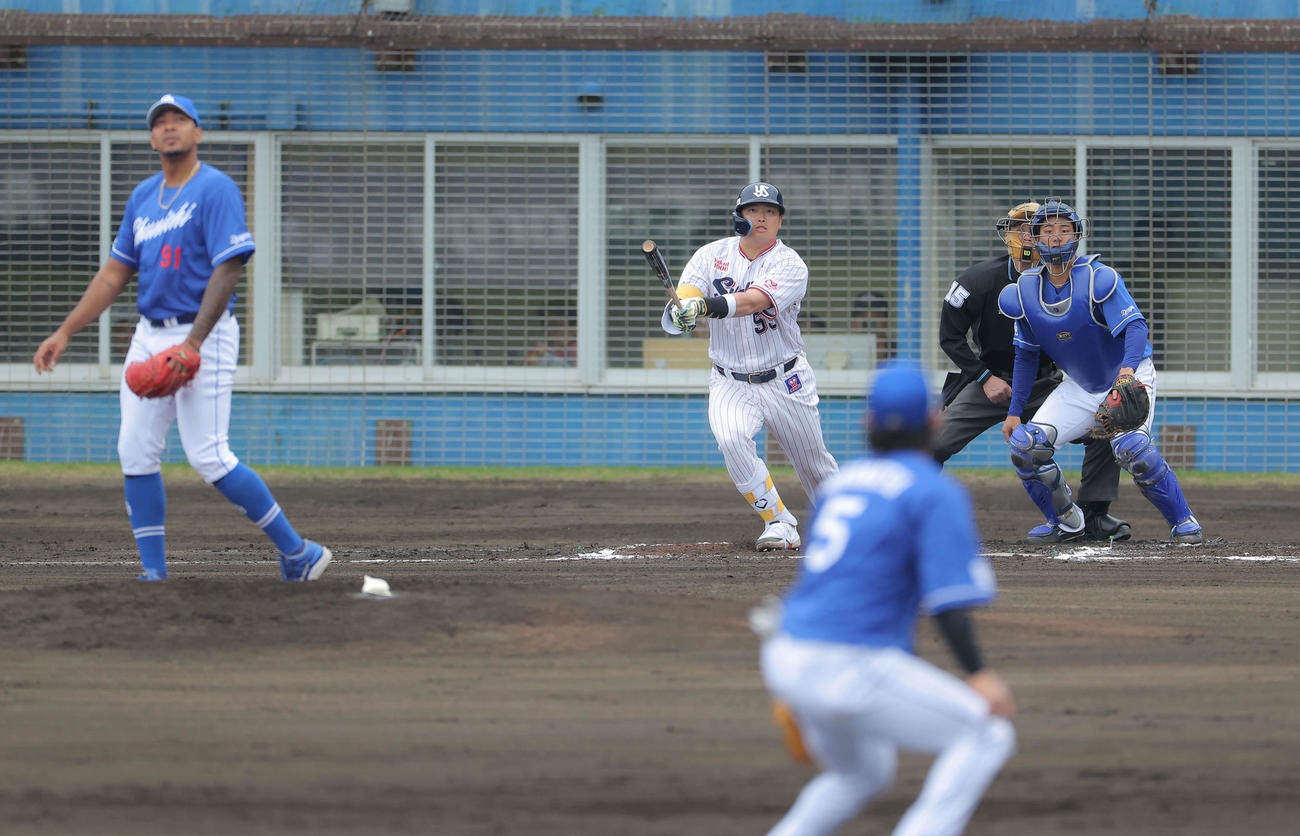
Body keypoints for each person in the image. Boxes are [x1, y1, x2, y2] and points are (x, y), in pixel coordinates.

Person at [32, 93, 332, 582]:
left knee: (208, 454)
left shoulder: (215, 188)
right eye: (160, 122)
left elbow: (228, 267)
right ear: (152, 138)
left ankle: (299, 552)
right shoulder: (143, 197)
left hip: (204, 334)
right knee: (134, 449)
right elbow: (113, 275)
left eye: (180, 120)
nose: (169, 128)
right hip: (149, 332)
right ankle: (154, 573)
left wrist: (192, 344)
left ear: (198, 132)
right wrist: (65, 331)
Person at [758, 363, 1016, 836]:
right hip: (848, 665)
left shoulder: (843, 483)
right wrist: (980, 676)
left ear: (869, 425)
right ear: (934, 423)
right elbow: (948, 606)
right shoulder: (932, 491)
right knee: (986, 732)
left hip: (788, 653)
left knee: (863, 773)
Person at [998, 200, 1203, 545]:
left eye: (1065, 229)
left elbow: (1136, 328)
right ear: (1034, 239)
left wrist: (1126, 375)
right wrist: (1015, 412)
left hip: (1128, 373)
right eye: (1047, 231)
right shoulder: (1023, 291)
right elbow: (1025, 355)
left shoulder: (1098, 277)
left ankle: (1184, 522)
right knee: (1025, 448)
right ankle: (1066, 521)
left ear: (1077, 235)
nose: (1056, 237)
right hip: (1080, 385)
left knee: (1132, 448)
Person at [938, 201, 1129, 542]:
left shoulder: (1076, 279)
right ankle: (918, 518)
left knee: (1106, 425)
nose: (1026, 236)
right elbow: (950, 338)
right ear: (1007, 235)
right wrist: (984, 377)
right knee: (931, 444)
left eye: (1034, 229)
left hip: (1045, 382)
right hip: (989, 381)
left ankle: (1094, 513)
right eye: (1019, 229)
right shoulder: (977, 281)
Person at [662, 182, 838, 550]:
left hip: (785, 377)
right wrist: (683, 311)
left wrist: (704, 308)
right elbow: (690, 290)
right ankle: (779, 522)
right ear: (738, 216)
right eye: (753, 209)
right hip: (729, 379)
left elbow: (752, 301)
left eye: (770, 211)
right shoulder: (711, 254)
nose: (761, 216)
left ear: (780, 220)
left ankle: (846, 526)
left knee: (814, 465)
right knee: (731, 439)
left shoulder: (789, 263)